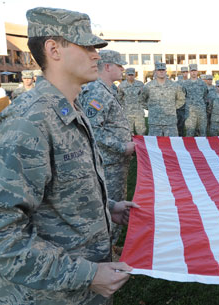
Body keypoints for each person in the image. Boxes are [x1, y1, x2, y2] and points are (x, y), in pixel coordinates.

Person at [0, 8, 135, 304]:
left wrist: (107, 206)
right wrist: (87, 275)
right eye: (86, 46)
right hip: (51, 295)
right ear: (53, 49)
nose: (96, 55)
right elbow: (0, 236)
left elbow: (64, 187)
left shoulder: (68, 109)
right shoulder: (27, 123)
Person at [79, 49, 134, 250]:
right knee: (108, 204)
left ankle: (110, 245)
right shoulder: (97, 92)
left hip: (116, 160)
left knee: (117, 201)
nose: (122, 69)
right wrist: (122, 146)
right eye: (119, 66)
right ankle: (104, 251)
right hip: (108, 161)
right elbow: (94, 129)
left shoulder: (108, 90)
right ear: (108, 66)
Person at [141, 62, 186, 136]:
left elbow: (181, 99)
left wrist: (173, 107)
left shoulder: (174, 86)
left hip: (170, 122)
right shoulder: (148, 86)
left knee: (172, 144)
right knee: (154, 145)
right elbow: (141, 100)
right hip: (154, 122)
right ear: (155, 71)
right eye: (159, 70)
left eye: (163, 70)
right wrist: (150, 108)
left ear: (166, 71)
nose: (161, 71)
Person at [181, 64, 209, 137]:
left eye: (195, 71)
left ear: (197, 72)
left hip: (201, 111)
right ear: (190, 72)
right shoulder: (185, 84)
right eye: (192, 71)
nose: (194, 73)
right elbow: (183, 96)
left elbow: (205, 96)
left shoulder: (202, 83)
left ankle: (203, 147)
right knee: (190, 132)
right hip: (190, 112)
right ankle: (189, 147)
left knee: (202, 131)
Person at [117, 67, 146, 135]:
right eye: (129, 75)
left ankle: (141, 145)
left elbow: (145, 96)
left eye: (132, 75)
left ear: (134, 75)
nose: (130, 76)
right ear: (126, 75)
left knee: (141, 131)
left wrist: (142, 105)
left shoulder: (140, 84)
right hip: (127, 113)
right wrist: (124, 105)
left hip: (139, 112)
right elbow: (119, 98)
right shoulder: (122, 85)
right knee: (128, 132)